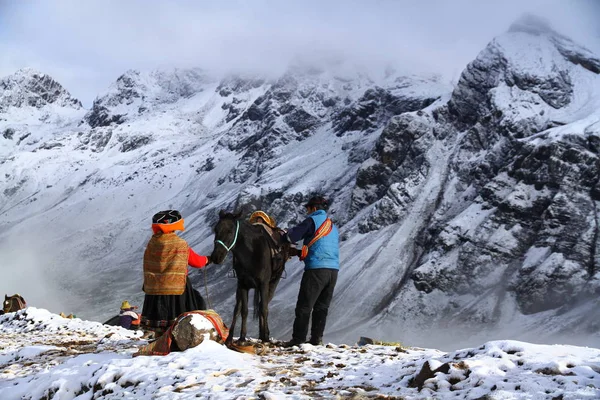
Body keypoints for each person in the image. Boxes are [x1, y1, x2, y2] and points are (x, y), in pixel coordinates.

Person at [141, 210, 211, 335]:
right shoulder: (180, 244)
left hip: (154, 288)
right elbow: (197, 262)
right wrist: (208, 259)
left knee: (160, 321)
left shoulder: (151, 244)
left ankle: (159, 337)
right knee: (182, 316)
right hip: (177, 288)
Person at [282, 196, 339, 346]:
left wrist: (283, 235)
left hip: (316, 270)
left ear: (313, 208)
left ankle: (298, 339)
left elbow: (291, 236)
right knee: (322, 307)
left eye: (308, 208)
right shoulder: (332, 226)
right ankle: (316, 339)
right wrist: (300, 252)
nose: (306, 211)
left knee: (304, 305)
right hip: (333, 271)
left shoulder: (312, 221)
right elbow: (321, 247)